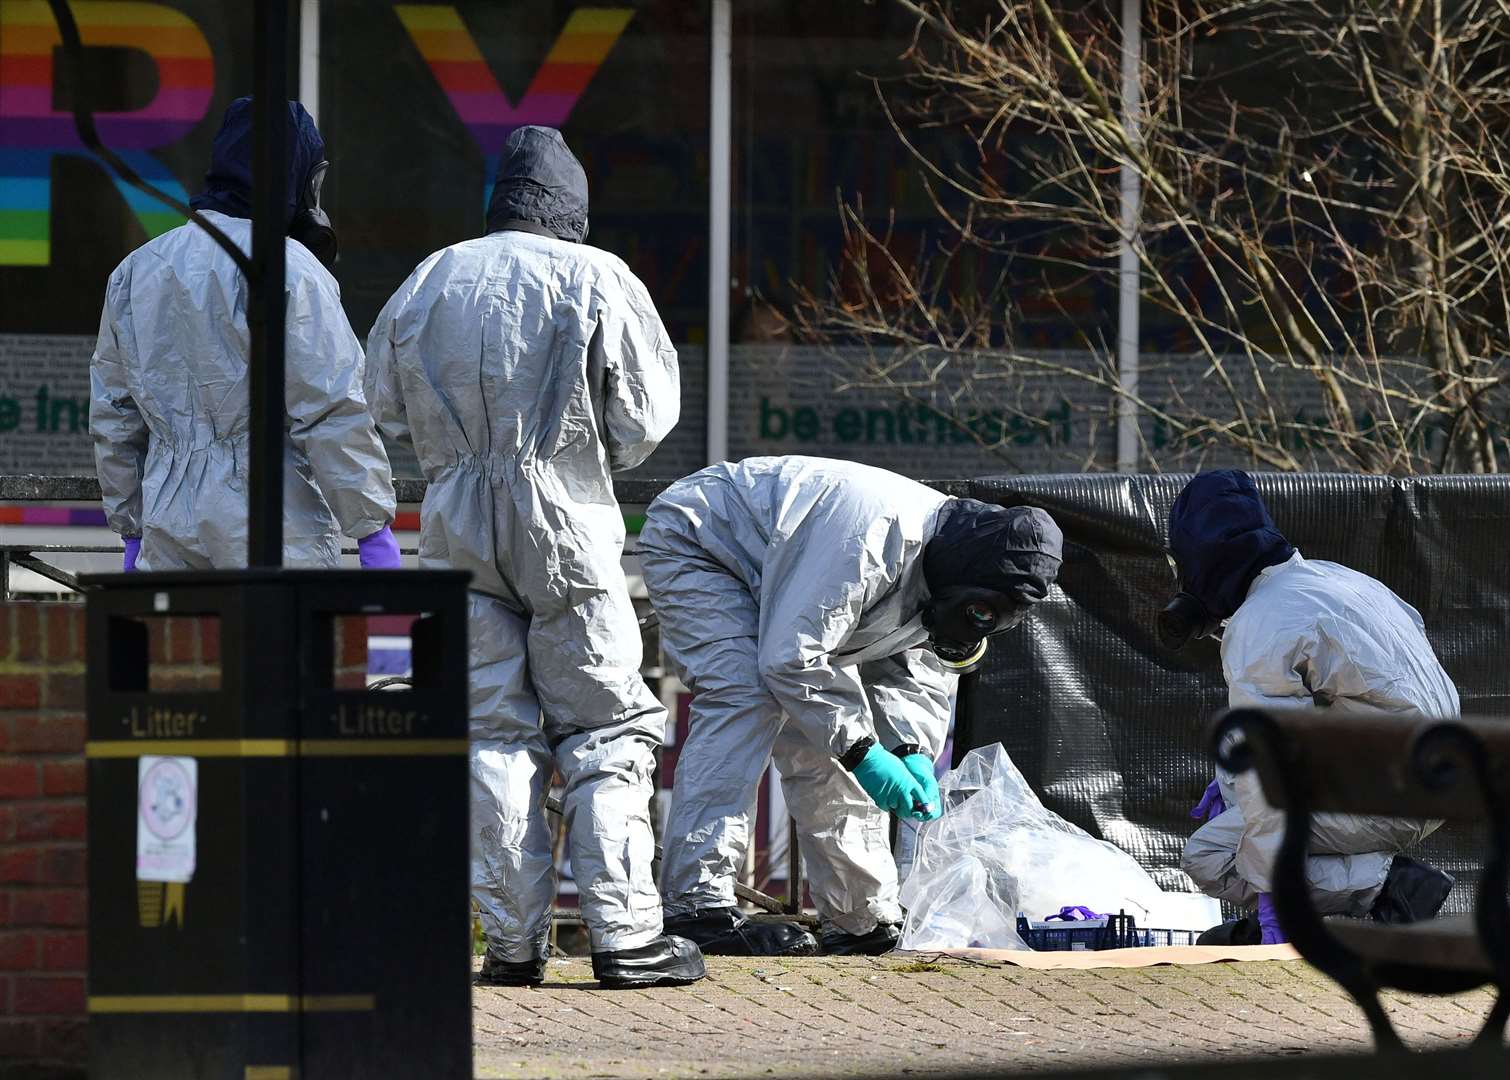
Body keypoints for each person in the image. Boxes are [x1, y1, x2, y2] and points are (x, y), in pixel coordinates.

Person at [365, 126, 703, 990]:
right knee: (604, 725)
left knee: (492, 734)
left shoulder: (430, 278)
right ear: (572, 209)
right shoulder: (597, 277)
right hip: (566, 518)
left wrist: (453, 456)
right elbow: (646, 417)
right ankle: (626, 939)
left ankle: (511, 946)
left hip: (455, 522)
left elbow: (379, 407)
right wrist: (580, 455)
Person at [638, 455, 1063, 956]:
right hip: (706, 541)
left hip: (789, 572)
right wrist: (864, 750)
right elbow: (793, 658)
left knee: (830, 734)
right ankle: (697, 907)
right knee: (746, 699)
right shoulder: (868, 540)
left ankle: (861, 917)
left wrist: (910, 751)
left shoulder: (957, 571)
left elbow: (914, 668)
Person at [90, 97, 399, 571]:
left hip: (168, 525)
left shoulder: (137, 270)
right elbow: (330, 408)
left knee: (187, 645)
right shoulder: (288, 268)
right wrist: (372, 527)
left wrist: (131, 527)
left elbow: (114, 415)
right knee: (280, 645)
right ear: (301, 177)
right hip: (273, 521)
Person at [1160, 470, 1459, 945]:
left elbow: (1269, 767)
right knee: (1246, 801)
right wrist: (1229, 784)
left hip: (1383, 794)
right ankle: (1378, 885)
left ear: (1201, 560)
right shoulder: (1341, 579)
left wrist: (1275, 900)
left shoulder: (1261, 621)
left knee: (1211, 855)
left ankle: (1390, 887)